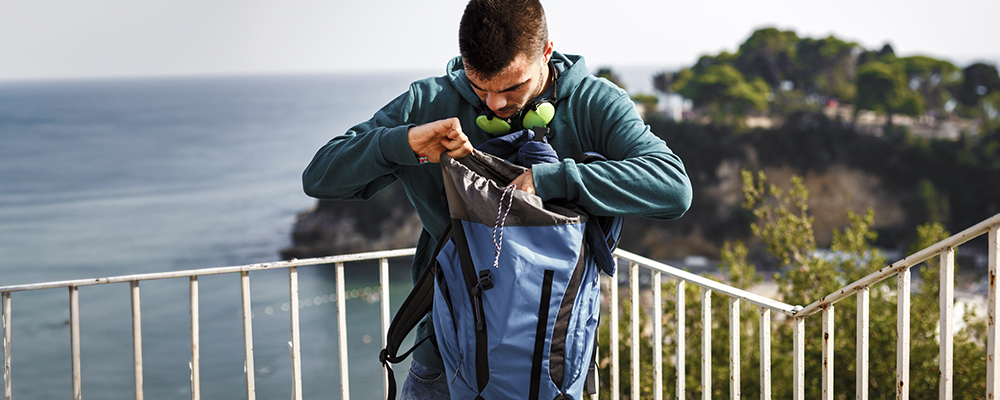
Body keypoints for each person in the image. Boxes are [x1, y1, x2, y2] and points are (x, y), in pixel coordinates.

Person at [302, 0, 692, 397]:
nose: (494, 104)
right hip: (442, 364)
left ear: (547, 51)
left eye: (511, 87)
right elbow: (320, 177)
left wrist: (550, 180)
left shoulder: (594, 103)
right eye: (478, 88)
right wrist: (403, 144)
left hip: (551, 365)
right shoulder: (428, 102)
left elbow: (672, 187)